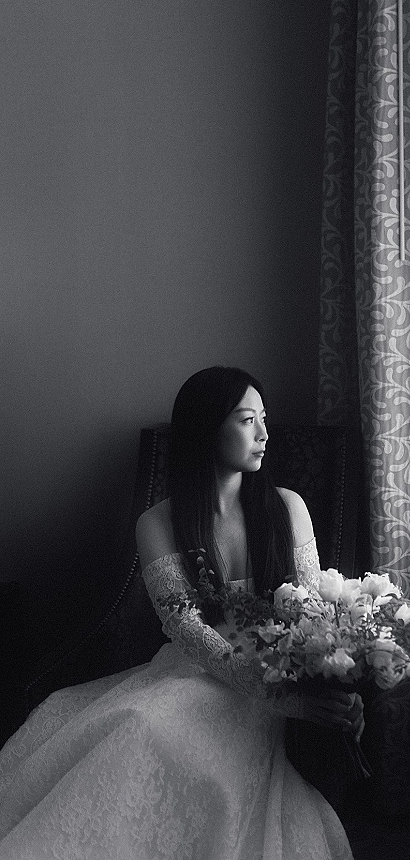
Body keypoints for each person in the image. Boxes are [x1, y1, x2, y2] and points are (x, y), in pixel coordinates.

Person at [0, 366, 363, 859]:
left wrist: (315, 688)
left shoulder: (287, 506)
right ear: (207, 428)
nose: (263, 434)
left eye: (263, 419)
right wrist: (266, 690)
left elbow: (312, 612)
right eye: (245, 420)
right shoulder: (158, 522)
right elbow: (184, 625)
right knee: (145, 723)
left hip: (278, 675)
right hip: (200, 670)